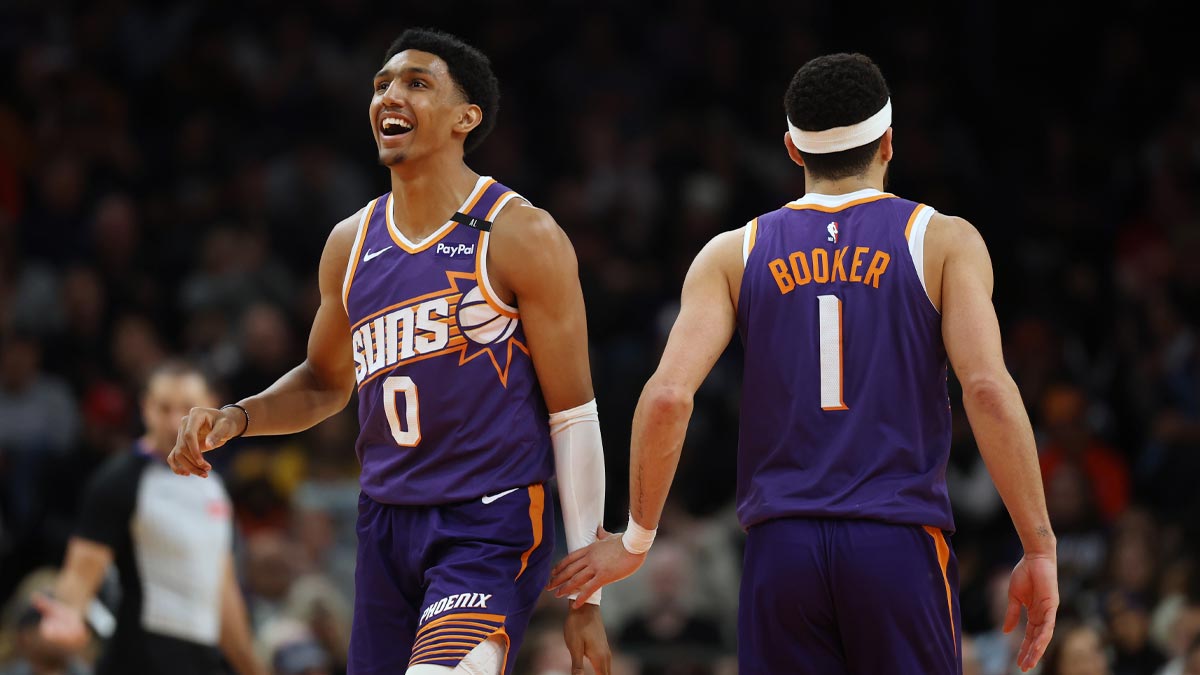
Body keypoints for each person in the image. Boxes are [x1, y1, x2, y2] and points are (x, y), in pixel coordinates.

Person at [548, 53, 1060, 674]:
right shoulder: (944, 239)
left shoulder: (733, 252)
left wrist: (636, 540)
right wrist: (1038, 546)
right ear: (890, 142)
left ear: (792, 149)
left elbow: (665, 398)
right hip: (895, 539)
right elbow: (984, 387)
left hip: (779, 550)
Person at [168, 28, 610, 675]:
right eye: (381, 85)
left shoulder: (521, 233)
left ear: (467, 117)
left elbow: (574, 414)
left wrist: (587, 593)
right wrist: (238, 416)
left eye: (416, 82)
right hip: (383, 524)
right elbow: (324, 381)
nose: (389, 95)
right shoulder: (350, 243)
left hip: (488, 519)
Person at [32, 361, 264, 675]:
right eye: (163, 408)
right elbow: (81, 570)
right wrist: (69, 613)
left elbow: (222, 593)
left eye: (186, 408)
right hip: (137, 659)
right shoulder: (118, 480)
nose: (174, 422)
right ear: (145, 409)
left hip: (201, 663)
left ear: (210, 407)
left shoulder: (215, 488)